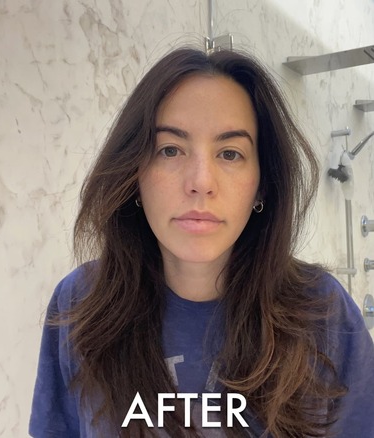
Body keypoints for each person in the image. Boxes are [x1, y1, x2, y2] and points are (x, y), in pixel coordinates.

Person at [29, 47, 374, 437]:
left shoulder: (322, 311)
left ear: (262, 184)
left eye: (230, 153)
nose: (201, 182)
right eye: (170, 150)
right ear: (134, 175)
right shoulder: (80, 302)